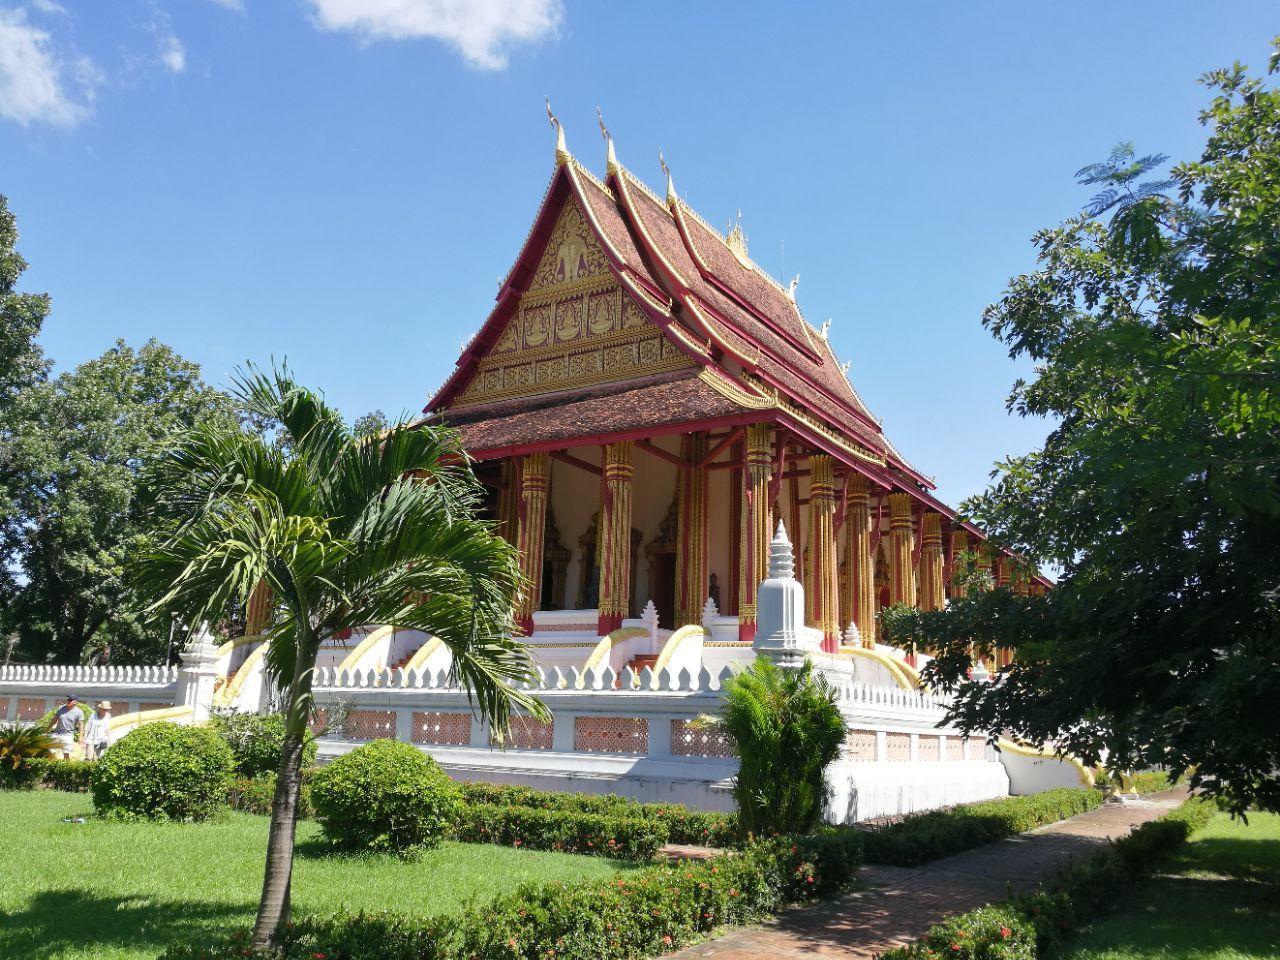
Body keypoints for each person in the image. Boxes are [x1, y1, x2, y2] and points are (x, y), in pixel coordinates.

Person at [51, 695, 82, 760]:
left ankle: (66, 768)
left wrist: (80, 736)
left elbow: (80, 725)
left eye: (70, 700)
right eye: (68, 699)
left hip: (68, 736)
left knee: (66, 753)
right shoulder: (61, 708)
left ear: (75, 702)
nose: (68, 701)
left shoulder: (79, 712)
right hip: (57, 734)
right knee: (51, 752)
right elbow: (54, 720)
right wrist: (47, 728)